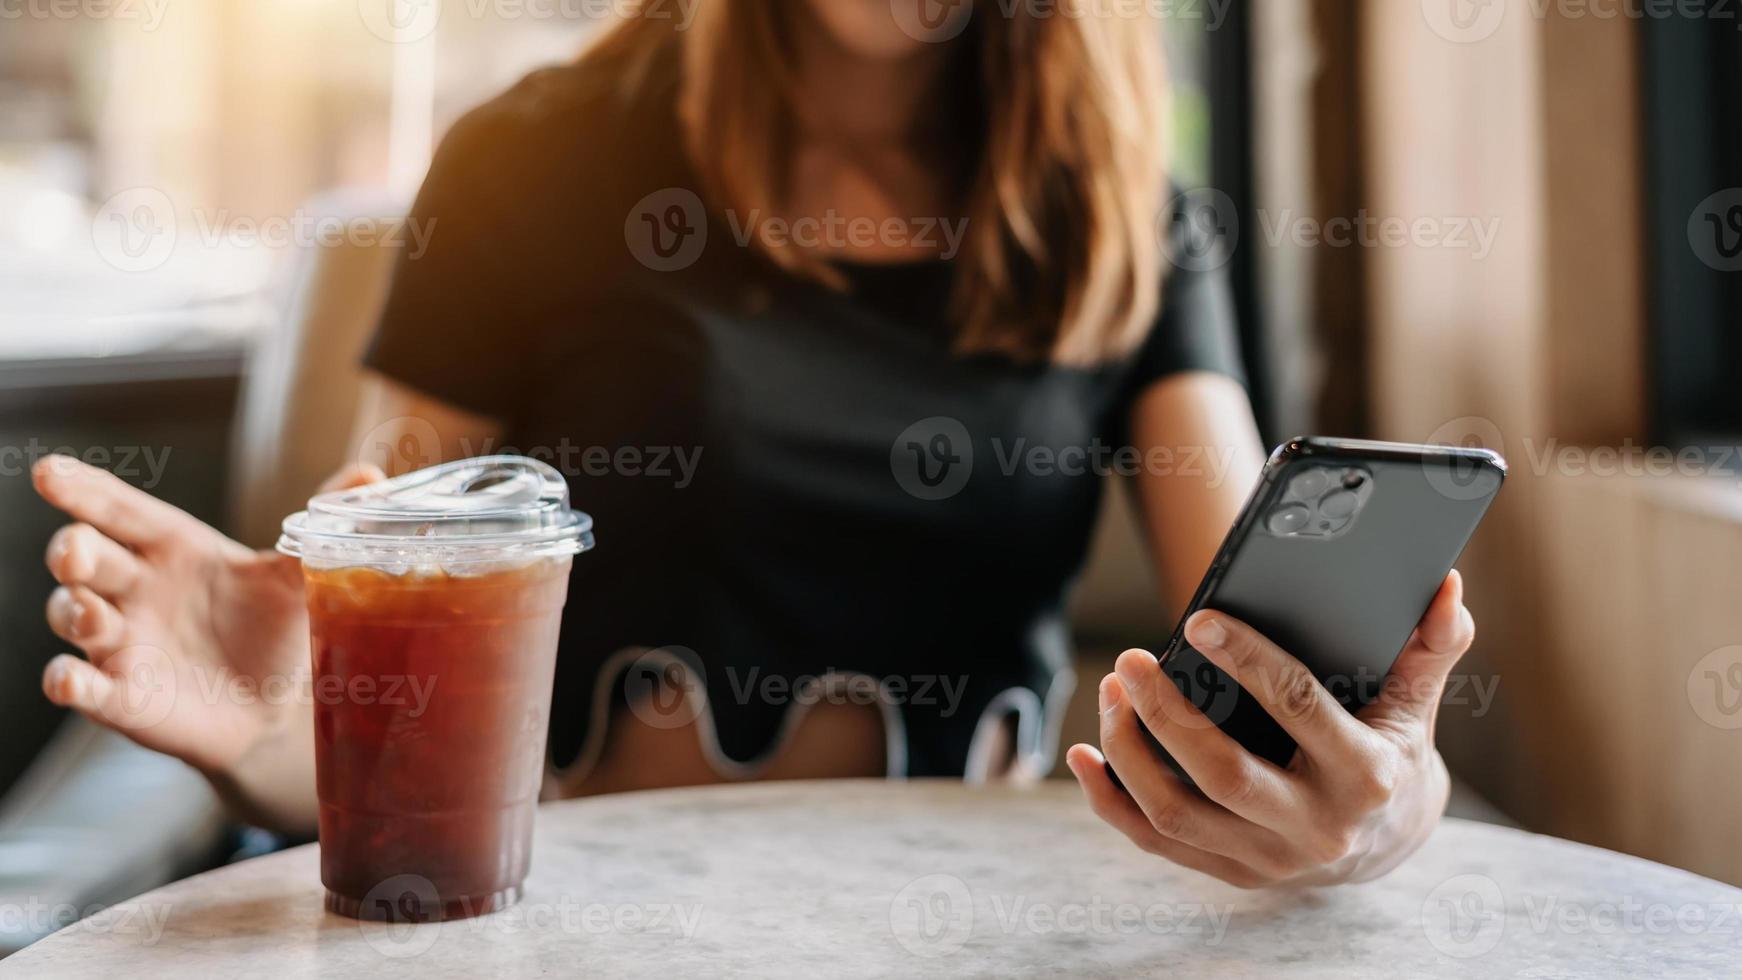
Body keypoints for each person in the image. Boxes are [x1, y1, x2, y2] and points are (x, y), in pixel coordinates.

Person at [34, 1, 1475, 887]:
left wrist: (1381, 801)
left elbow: (1257, 669)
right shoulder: (527, 158)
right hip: (573, 913)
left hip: (958, 926)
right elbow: (375, 658)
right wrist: (293, 719)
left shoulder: (1135, 222)